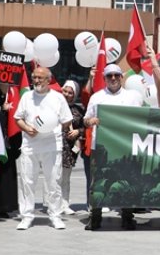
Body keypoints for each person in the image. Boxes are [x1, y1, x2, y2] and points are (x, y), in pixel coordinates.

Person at [83, 64, 147, 230]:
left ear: (121, 78)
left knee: (127, 181)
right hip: (102, 148)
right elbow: (85, 119)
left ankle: (127, 216)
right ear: (104, 78)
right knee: (97, 184)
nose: (113, 78)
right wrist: (91, 121)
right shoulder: (96, 97)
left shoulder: (133, 97)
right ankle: (95, 217)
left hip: (125, 147)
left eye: (116, 75)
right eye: (109, 75)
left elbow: (140, 119)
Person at [12, 67, 70, 231]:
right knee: (27, 182)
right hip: (30, 145)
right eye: (34, 77)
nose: (36, 81)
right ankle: (27, 216)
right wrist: (26, 128)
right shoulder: (27, 97)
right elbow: (18, 118)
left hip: (52, 144)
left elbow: (66, 121)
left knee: (53, 182)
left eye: (40, 78)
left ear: (48, 80)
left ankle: (55, 216)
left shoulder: (58, 98)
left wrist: (51, 126)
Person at [58, 81, 85, 216]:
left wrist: (77, 132)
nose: (67, 95)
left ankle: (65, 204)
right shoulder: (54, 106)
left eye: (70, 93)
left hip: (69, 149)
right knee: (54, 177)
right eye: (65, 91)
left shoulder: (78, 110)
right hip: (54, 145)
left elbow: (85, 127)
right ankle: (54, 205)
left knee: (66, 178)